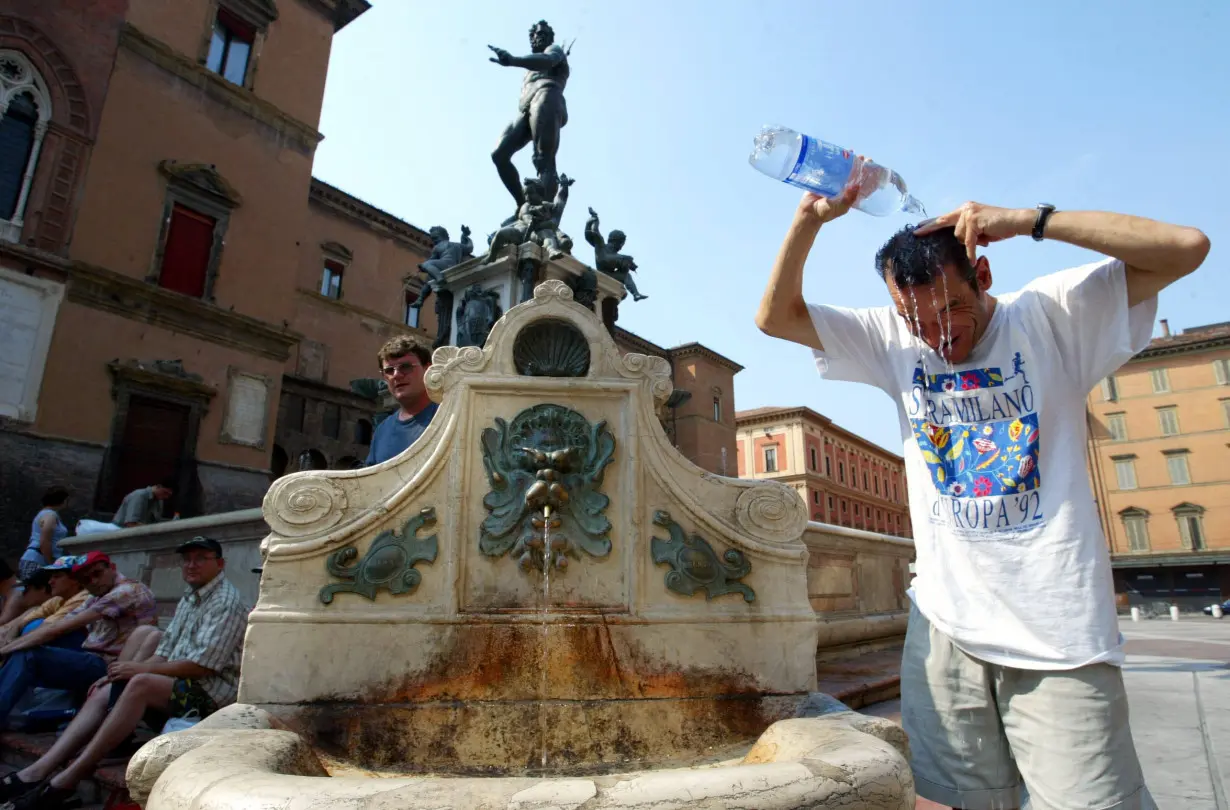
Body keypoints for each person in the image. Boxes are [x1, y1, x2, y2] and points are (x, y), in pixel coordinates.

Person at [757, 188, 1209, 810]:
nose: (937, 338)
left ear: (983, 275)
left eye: (951, 313)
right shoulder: (894, 337)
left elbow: (1186, 248)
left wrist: (1029, 221)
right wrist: (807, 222)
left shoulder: (1053, 315)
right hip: (945, 627)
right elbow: (775, 316)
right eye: (917, 322)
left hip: (1059, 637)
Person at [0, 537, 248, 810]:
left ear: (220, 563)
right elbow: (165, 651)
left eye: (202, 558)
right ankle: (37, 771)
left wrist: (139, 669)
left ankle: (69, 778)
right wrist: (123, 673)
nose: (192, 565)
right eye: (187, 559)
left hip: (211, 694)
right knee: (112, 684)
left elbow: (202, 667)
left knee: (140, 681)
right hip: (180, 681)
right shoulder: (192, 596)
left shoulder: (225, 601)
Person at [0, 552, 157, 726]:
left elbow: (59, 628)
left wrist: (7, 649)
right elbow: (51, 624)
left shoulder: (126, 591)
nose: (93, 581)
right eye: (86, 579)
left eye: (97, 574)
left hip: (112, 666)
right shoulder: (95, 595)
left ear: (111, 568)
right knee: (29, 645)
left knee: (29, 654)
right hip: (92, 658)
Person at [488, 19, 569, 208]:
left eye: (542, 34)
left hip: (546, 95)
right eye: (533, 35)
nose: (537, 37)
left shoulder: (555, 51)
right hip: (527, 107)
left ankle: (543, 213)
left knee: (543, 159)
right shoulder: (529, 68)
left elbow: (547, 62)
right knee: (499, 155)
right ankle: (523, 207)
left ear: (550, 38)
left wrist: (514, 60)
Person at [364, 337, 438, 466]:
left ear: (428, 369)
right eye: (389, 371)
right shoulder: (382, 431)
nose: (396, 375)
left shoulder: (448, 416)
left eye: (406, 367)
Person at [0, 557, 90, 648]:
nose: (50, 582)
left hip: (86, 653)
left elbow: (46, 628)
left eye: (57, 576)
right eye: (51, 576)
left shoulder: (81, 598)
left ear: (75, 579)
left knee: (35, 630)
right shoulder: (58, 599)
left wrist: (8, 647)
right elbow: (24, 620)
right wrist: (9, 641)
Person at [20, 487, 69, 579]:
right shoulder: (50, 515)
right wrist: (51, 563)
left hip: (37, 559)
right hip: (38, 560)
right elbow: (45, 540)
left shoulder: (46, 514)